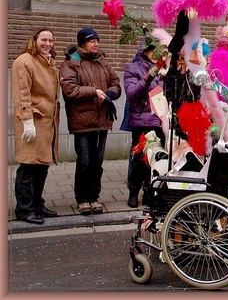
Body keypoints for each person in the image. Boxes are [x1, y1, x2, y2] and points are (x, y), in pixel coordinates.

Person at [59, 28, 121, 215]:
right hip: (83, 121)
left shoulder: (102, 62)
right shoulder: (71, 64)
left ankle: (94, 197)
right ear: (82, 43)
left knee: (97, 162)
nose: (96, 44)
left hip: (102, 119)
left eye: (97, 40)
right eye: (91, 41)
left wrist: (111, 92)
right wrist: (93, 91)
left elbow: (115, 82)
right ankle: (82, 198)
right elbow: (70, 90)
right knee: (85, 161)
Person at [11, 28, 61, 225]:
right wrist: (26, 120)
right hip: (34, 120)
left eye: (50, 40)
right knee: (28, 166)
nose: (47, 44)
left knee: (41, 166)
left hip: (46, 122)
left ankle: (37, 204)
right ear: (35, 40)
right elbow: (21, 92)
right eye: (43, 40)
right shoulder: (24, 61)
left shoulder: (47, 62)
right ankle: (24, 209)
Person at [123, 43, 166, 208]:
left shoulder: (164, 69)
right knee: (140, 159)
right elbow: (132, 93)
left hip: (160, 120)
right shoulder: (133, 68)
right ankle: (133, 191)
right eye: (152, 51)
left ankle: (150, 192)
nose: (156, 54)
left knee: (157, 160)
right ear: (144, 51)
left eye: (159, 51)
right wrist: (149, 76)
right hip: (142, 120)